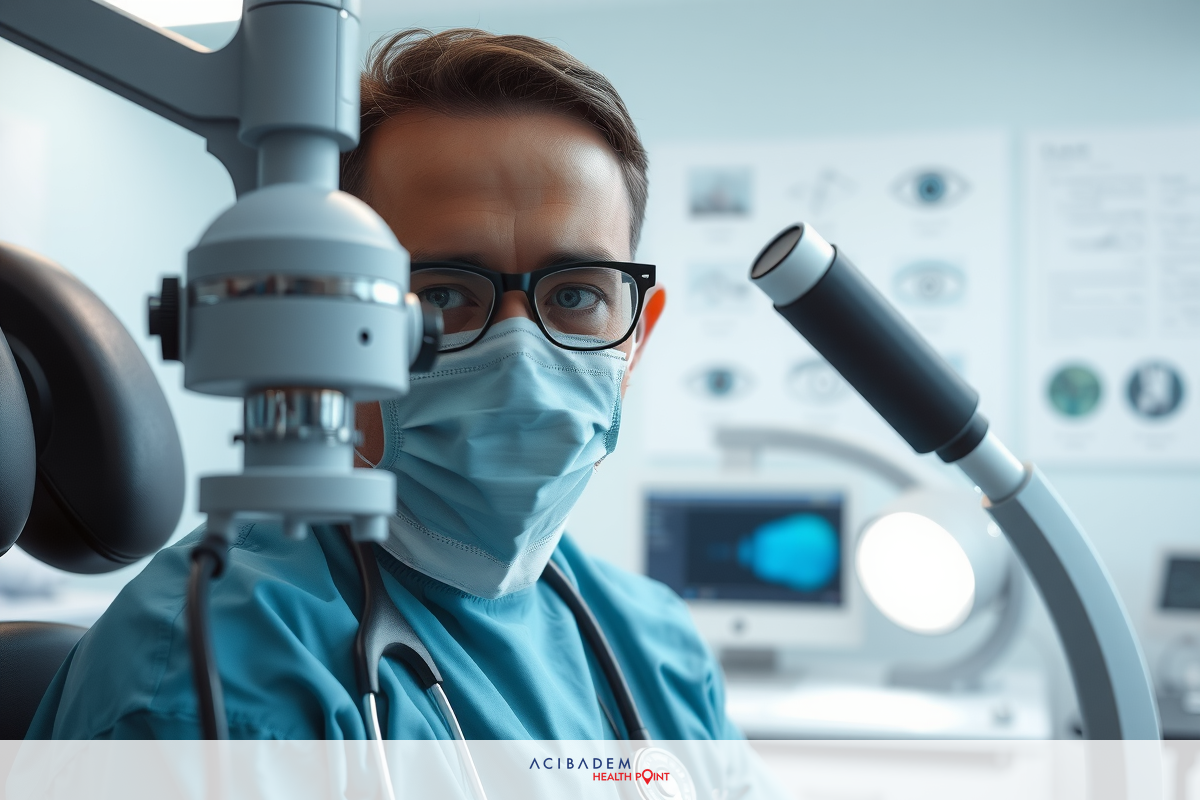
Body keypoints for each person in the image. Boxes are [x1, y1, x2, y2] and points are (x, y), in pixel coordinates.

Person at [27, 28, 737, 742]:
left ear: (637, 336)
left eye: (576, 296)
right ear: (329, 322)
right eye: (443, 295)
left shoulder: (655, 645)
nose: (520, 353)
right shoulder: (216, 668)